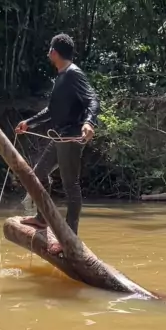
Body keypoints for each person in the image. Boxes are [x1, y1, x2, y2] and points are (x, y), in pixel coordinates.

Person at [15, 33, 99, 250]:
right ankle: (42, 218)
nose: (48, 52)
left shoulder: (73, 74)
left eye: (50, 49)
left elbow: (92, 99)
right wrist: (28, 123)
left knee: (71, 185)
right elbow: (51, 110)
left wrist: (89, 122)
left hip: (71, 136)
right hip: (59, 135)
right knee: (38, 173)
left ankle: (70, 237)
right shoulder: (62, 76)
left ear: (54, 52)